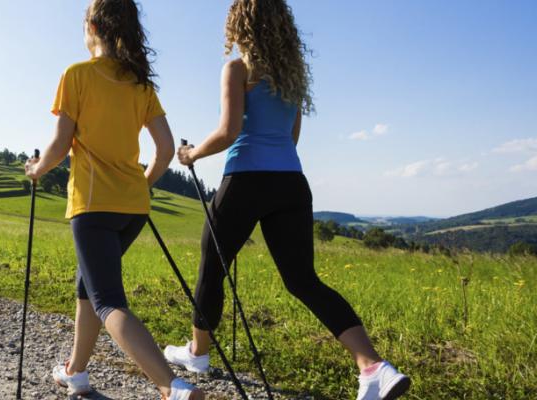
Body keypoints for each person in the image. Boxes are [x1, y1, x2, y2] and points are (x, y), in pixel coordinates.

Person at [163, 1, 410, 399]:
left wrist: (191, 155)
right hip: (291, 182)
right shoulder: (291, 78)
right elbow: (291, 137)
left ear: (238, 24)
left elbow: (228, 132)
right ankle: (373, 367)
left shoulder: (238, 69)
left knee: (212, 266)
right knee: (303, 281)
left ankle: (198, 353)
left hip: (245, 178)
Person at [24, 1, 203, 399]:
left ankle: (171, 387)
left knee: (108, 301)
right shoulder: (141, 84)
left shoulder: (77, 75)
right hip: (133, 209)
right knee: (87, 286)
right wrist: (143, 184)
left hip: (93, 207)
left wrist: (36, 170)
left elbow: (59, 143)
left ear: (92, 25)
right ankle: (76, 371)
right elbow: (166, 147)